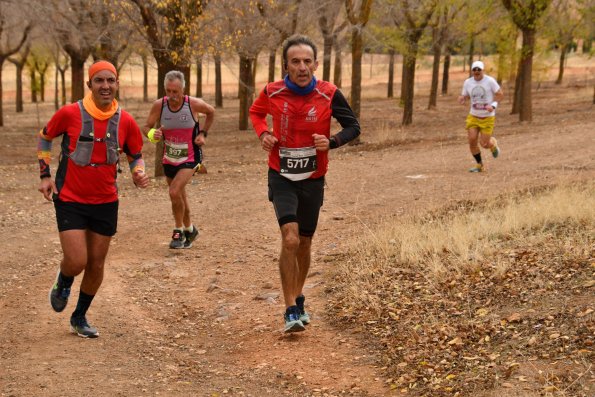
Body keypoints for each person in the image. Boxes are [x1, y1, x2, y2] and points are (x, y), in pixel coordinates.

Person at [249, 34, 361, 333]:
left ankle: (298, 298)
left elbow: (353, 126)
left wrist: (332, 142)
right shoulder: (272, 92)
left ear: (316, 64)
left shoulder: (329, 93)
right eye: (295, 61)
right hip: (281, 175)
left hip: (313, 178)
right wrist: (263, 133)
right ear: (286, 64)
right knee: (290, 238)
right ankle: (288, 310)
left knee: (306, 242)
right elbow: (256, 113)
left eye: (307, 61)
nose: (302, 67)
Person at [38, 60, 149, 338]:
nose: (105, 86)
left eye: (110, 81)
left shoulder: (126, 120)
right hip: (71, 198)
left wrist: (138, 172)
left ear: (117, 84)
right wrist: (45, 175)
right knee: (77, 261)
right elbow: (45, 137)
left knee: (96, 263)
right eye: (99, 81)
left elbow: (136, 153)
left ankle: (79, 316)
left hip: (105, 201)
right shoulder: (70, 113)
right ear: (89, 84)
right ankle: (64, 280)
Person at [142, 71, 215, 249]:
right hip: (169, 158)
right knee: (180, 196)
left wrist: (203, 133)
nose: (172, 96)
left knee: (174, 191)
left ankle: (178, 232)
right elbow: (145, 127)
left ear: (183, 89)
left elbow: (211, 112)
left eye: (176, 91)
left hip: (190, 157)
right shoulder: (159, 105)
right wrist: (153, 134)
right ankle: (190, 230)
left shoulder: (193, 104)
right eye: (168, 91)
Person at [458, 60, 504, 172]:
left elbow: (500, 94)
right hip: (473, 116)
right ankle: (480, 165)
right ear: (472, 71)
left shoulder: (490, 81)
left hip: (487, 117)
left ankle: (492, 145)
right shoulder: (468, 82)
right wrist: (463, 98)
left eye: (479, 69)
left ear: (483, 70)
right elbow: (466, 95)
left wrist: (493, 105)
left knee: (484, 144)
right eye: (474, 69)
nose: (477, 71)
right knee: (472, 140)